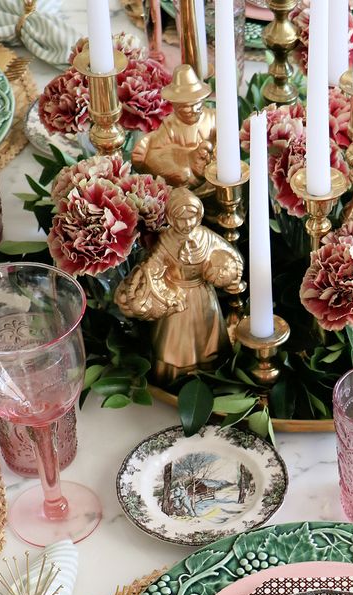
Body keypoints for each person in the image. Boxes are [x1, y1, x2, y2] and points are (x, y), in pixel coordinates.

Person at [114, 187, 243, 387]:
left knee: (207, 338)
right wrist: (145, 276)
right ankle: (174, 377)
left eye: (191, 218)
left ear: (199, 215)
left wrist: (229, 271)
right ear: (171, 218)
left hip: (203, 296)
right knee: (174, 341)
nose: (187, 224)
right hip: (176, 300)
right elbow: (153, 263)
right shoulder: (166, 239)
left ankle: (212, 375)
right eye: (181, 219)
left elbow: (228, 253)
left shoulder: (206, 237)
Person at [131, 63, 216, 199]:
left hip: (208, 179)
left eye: (197, 104)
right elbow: (153, 153)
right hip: (180, 178)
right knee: (182, 174)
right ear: (175, 106)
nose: (193, 110)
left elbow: (224, 144)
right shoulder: (170, 124)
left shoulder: (212, 118)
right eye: (186, 107)